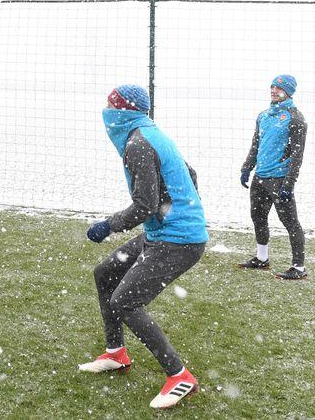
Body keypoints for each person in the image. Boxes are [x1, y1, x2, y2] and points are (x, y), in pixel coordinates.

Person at [78, 85, 208, 409]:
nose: (105, 111)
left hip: (178, 241)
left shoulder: (138, 142)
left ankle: (179, 376)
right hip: (164, 232)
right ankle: (116, 354)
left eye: (110, 105)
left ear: (122, 111)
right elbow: (190, 172)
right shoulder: (148, 133)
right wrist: (182, 207)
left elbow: (143, 205)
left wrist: (108, 225)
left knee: (125, 301)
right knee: (105, 273)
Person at [239, 75, 307, 280]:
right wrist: (247, 167)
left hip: (279, 179)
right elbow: (256, 145)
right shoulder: (264, 116)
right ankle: (262, 258)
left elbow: (297, 155)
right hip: (260, 177)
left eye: (279, 88)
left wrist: (289, 183)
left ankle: (299, 268)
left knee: (290, 222)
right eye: (272, 87)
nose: (273, 90)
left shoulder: (296, 118)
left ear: (288, 92)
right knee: (258, 217)